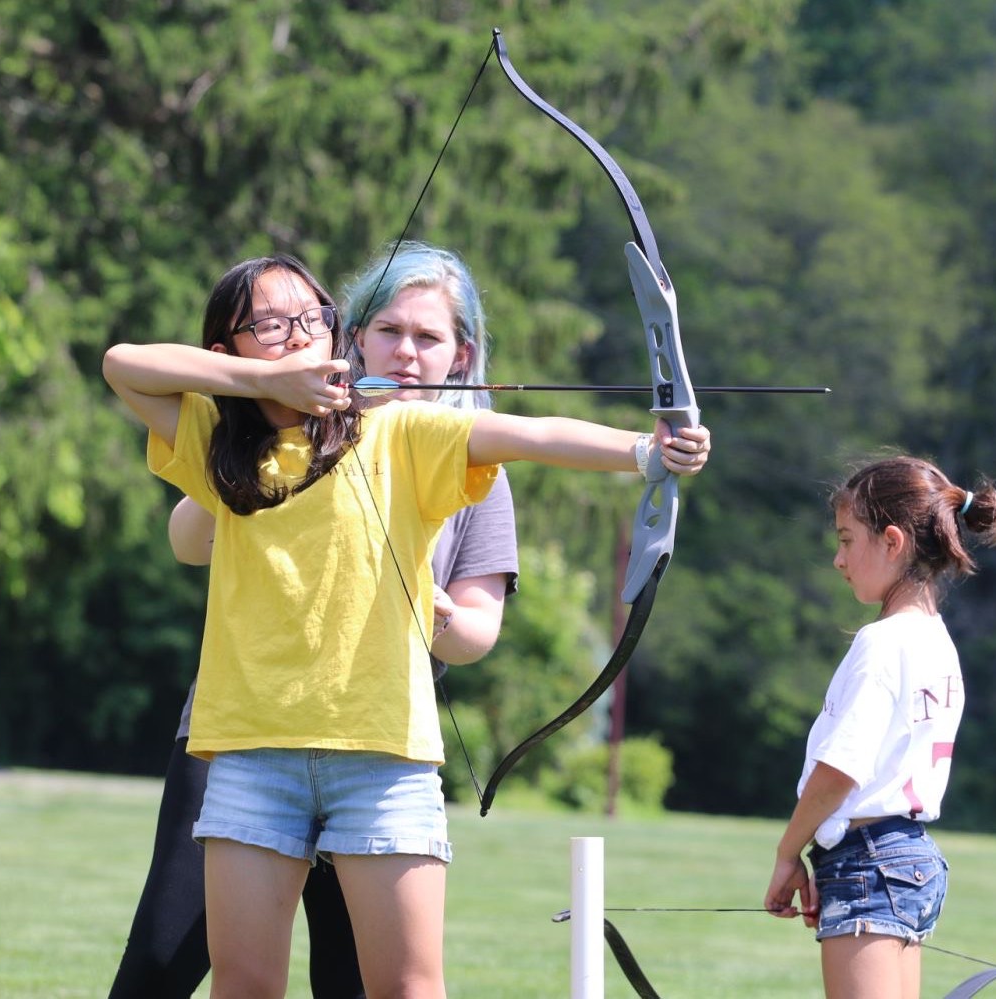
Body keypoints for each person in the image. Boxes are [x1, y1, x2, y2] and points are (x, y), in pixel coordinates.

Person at [102, 252, 711, 998]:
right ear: (227, 351)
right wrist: (268, 386)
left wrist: (647, 451)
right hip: (253, 754)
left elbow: (528, 434)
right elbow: (123, 363)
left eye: (309, 317)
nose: (297, 333)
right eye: (269, 323)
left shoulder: (402, 430)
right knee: (245, 984)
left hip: (381, 759)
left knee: (406, 989)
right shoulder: (220, 448)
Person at [109, 242, 522, 999]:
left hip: (371, 738)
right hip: (241, 728)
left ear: (462, 357)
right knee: (163, 959)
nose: (405, 351)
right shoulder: (284, 431)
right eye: (388, 330)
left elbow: (474, 635)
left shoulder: (470, 461)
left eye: (428, 339)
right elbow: (188, 538)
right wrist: (271, 407)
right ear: (352, 338)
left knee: (354, 981)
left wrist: (429, 607)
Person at [763, 455, 996, 999]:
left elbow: (840, 769)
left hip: (867, 862)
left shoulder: (881, 644)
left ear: (892, 541)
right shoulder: (937, 642)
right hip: (909, 858)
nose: (838, 558)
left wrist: (788, 853)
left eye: (848, 540)